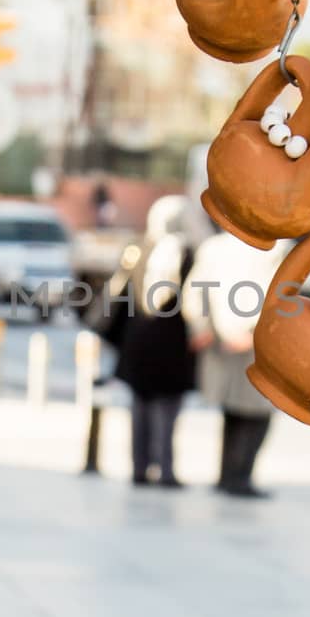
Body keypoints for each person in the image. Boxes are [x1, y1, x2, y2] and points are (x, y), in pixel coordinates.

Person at [185, 231, 287, 498]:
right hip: (255, 343)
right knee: (256, 414)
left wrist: (201, 327)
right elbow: (279, 294)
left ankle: (229, 476)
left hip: (222, 338)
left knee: (233, 411)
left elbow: (195, 290)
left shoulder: (213, 246)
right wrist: (253, 333)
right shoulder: (276, 247)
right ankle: (239, 477)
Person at [106, 197, 195, 488]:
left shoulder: (138, 249)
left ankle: (139, 468)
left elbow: (121, 293)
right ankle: (165, 470)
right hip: (172, 343)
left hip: (137, 338)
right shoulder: (187, 253)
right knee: (167, 410)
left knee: (139, 407)